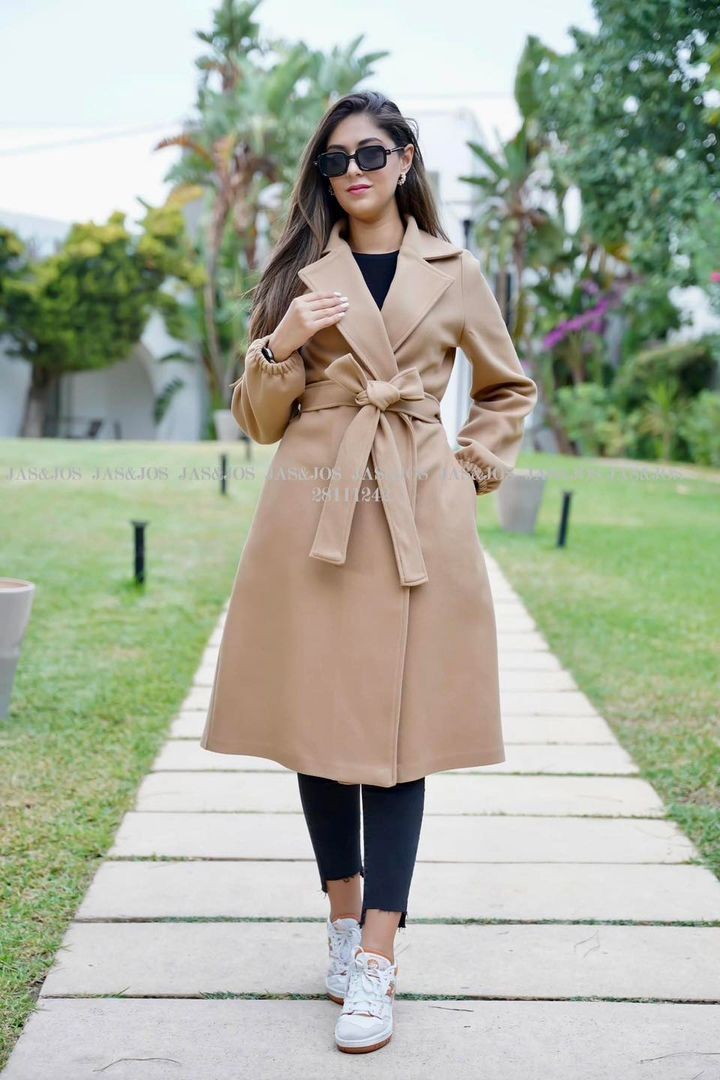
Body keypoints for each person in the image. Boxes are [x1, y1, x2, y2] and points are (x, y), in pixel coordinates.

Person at [200, 89, 538, 1055]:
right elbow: (258, 420)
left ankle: (380, 960)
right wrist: (282, 342)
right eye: (335, 160)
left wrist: (468, 469)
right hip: (314, 511)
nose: (352, 172)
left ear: (405, 159)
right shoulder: (303, 272)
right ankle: (343, 924)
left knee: (400, 737)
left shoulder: (455, 270)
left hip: (414, 511)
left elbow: (508, 388)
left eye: (370, 154)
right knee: (319, 729)